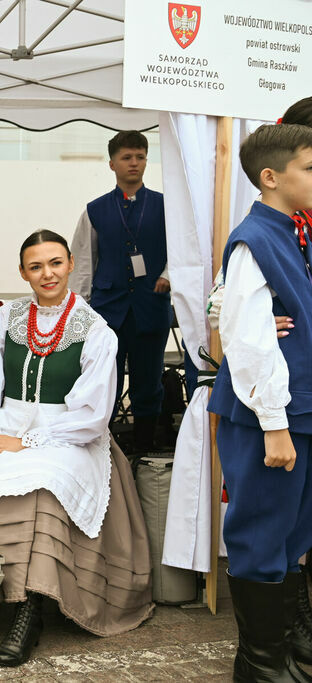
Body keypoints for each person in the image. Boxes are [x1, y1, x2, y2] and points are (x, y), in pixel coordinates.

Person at [0, 229, 153, 667]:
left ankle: (30, 610)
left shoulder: (96, 331)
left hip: (69, 433)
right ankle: (1, 595)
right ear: (23, 273)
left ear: (71, 266)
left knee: (46, 483)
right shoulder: (4, 319)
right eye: (37, 266)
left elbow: (91, 415)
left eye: (56, 263)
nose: (48, 273)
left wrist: (25, 442)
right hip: (7, 421)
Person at [207, 123, 312, 681]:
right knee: (261, 535)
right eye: (311, 168)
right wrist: (273, 423)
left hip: (301, 410)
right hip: (271, 416)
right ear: (272, 178)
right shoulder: (256, 237)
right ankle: (258, 666)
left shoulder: (294, 233)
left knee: (294, 535)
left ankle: (275, 660)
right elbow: (246, 339)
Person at [70, 131, 171, 452]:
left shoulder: (165, 206)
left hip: (150, 308)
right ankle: (102, 450)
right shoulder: (95, 210)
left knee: (148, 384)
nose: (134, 163)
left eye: (140, 157)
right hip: (106, 311)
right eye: (127, 157)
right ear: (112, 163)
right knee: (103, 383)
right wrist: (81, 310)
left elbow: (184, 249)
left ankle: (142, 452)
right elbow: (84, 260)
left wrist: (168, 275)